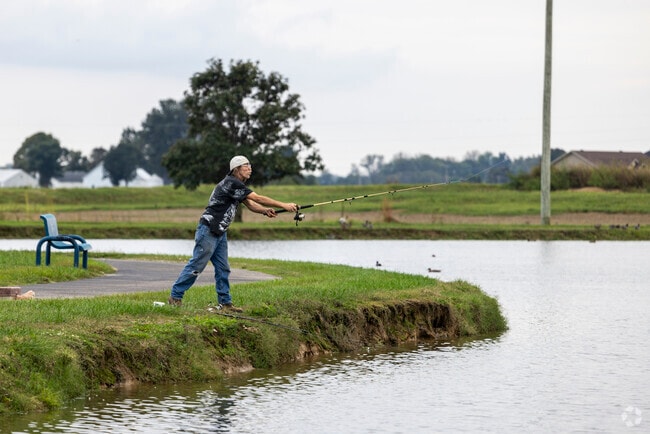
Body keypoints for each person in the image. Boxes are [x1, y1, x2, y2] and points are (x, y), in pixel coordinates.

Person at [168, 155, 298, 311]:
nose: (250, 168)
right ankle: (175, 297)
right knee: (197, 264)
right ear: (236, 169)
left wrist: (264, 211)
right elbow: (257, 197)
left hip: (220, 232)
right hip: (208, 229)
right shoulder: (231, 182)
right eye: (246, 166)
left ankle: (225, 303)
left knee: (223, 268)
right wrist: (284, 205)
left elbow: (251, 204)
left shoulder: (236, 186)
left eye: (250, 165)